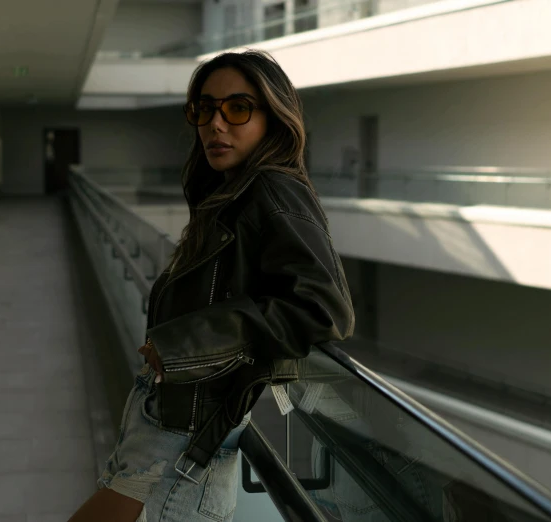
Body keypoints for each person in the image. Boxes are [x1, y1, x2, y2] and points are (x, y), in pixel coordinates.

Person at [68, 49, 355, 522]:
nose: (215, 124)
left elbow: (323, 307)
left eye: (237, 108)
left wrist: (183, 343)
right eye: (204, 108)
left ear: (273, 117)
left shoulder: (272, 189)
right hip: (166, 425)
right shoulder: (232, 192)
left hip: (181, 448)